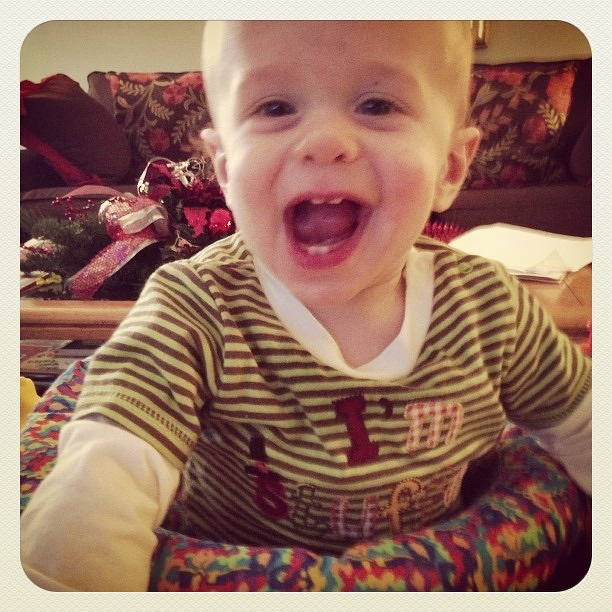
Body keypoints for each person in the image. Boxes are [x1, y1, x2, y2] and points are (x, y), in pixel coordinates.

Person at [20, 21, 591, 591]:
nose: (324, 140)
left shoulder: (491, 309)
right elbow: (103, 473)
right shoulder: (194, 307)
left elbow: (587, 423)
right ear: (225, 169)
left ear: (449, 168)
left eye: (376, 104)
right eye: (275, 107)